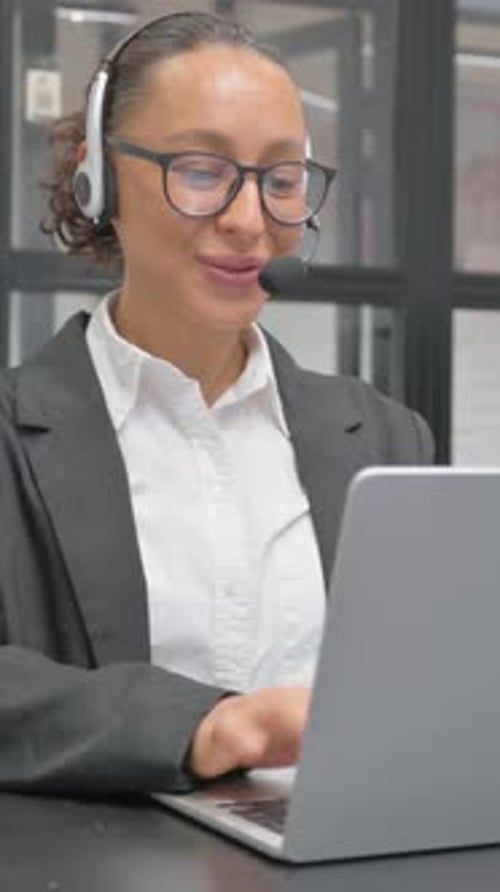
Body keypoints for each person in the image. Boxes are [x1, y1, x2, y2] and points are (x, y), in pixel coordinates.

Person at [0, 11, 433, 796]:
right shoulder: (11, 438)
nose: (249, 221)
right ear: (99, 181)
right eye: (201, 171)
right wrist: (209, 727)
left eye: (282, 180)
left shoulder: (386, 437)